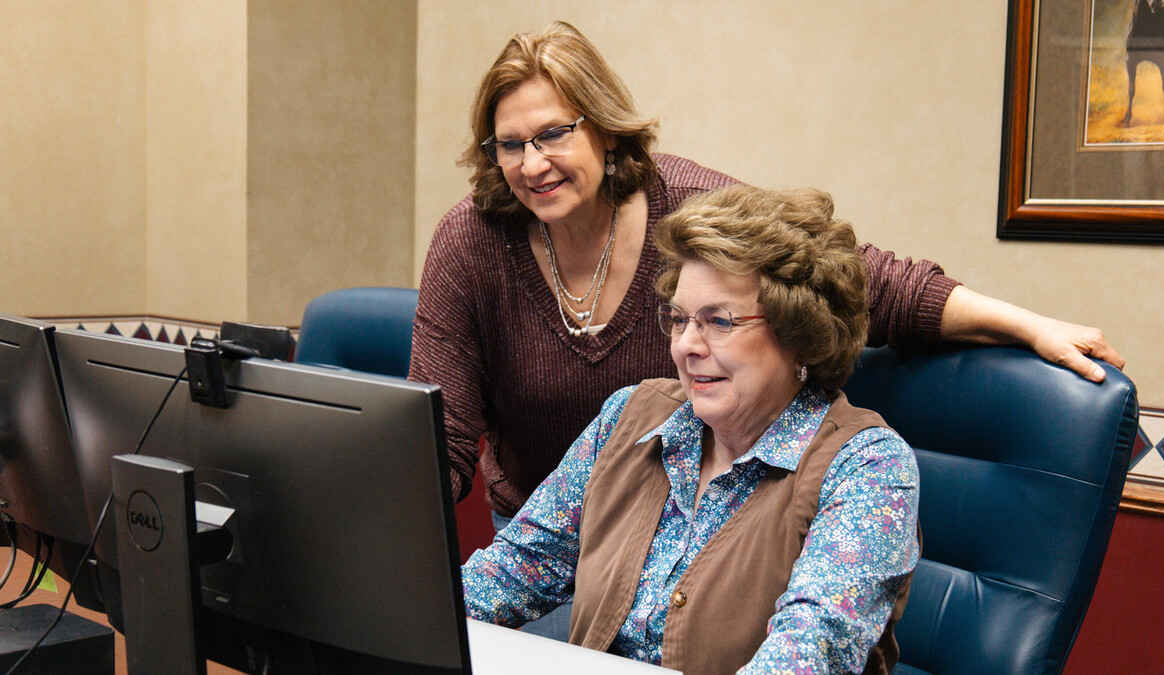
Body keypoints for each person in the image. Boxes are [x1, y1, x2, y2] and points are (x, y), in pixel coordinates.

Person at [407, 20, 1121, 637]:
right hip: (564, 535)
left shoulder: (864, 467)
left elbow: (854, 277)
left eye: (554, 133)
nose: (532, 163)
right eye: (510, 144)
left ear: (600, 123)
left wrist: (1026, 325)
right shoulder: (624, 416)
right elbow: (450, 479)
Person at [462, 184, 919, 674]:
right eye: (679, 320)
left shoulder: (869, 469)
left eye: (718, 321)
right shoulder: (628, 417)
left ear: (799, 334)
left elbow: (808, 656)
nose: (686, 347)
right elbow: (516, 569)